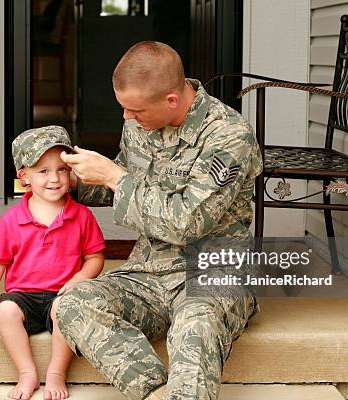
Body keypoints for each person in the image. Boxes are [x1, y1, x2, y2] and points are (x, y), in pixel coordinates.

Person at [57, 41, 263, 400]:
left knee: (195, 326)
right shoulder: (139, 125)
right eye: (124, 108)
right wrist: (72, 181)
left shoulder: (229, 136)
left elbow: (186, 221)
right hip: (148, 274)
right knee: (73, 302)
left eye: (135, 110)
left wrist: (113, 177)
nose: (127, 118)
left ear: (170, 99)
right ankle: (154, 393)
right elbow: (127, 186)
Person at [0, 126, 106, 400]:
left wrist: (79, 279)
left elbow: (95, 257)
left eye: (62, 169)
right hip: (24, 297)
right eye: (43, 171)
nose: (54, 178)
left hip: (64, 294)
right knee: (5, 310)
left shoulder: (81, 216)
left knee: (67, 311)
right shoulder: (12, 220)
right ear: (24, 177)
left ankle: (56, 373)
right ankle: (27, 372)